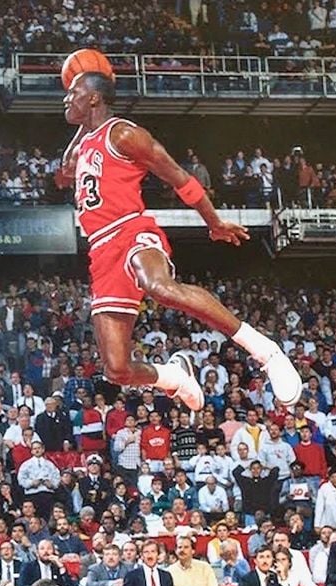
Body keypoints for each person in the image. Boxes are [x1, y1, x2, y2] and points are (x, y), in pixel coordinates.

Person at [61, 72, 301, 413]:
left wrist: (213, 222)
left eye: (74, 92)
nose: (66, 97)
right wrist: (83, 122)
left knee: (159, 287)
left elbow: (178, 176)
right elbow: (64, 172)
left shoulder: (125, 134)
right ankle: (173, 376)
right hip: (100, 248)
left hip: (131, 229)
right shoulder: (85, 143)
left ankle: (266, 351)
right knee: (116, 370)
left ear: (96, 98)